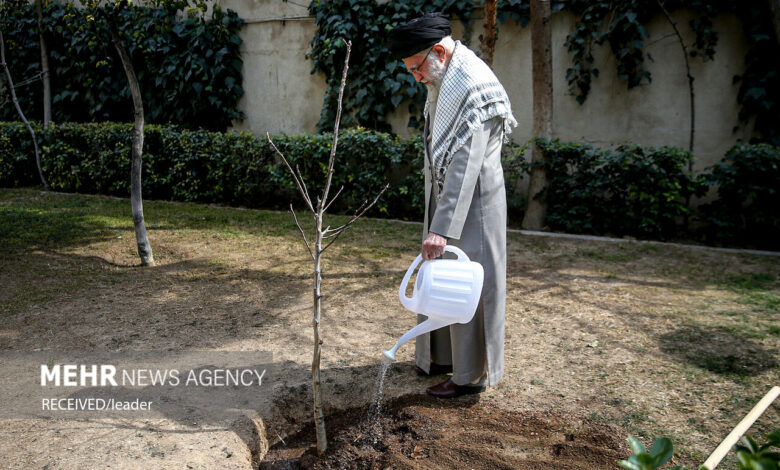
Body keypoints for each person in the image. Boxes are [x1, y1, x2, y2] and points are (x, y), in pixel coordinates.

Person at [388, 12, 517, 398]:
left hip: (473, 209)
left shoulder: (472, 85)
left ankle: (468, 377)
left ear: (439, 52)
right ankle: (443, 360)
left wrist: (441, 228)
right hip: (449, 203)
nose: (416, 77)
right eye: (410, 70)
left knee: (467, 288)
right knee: (441, 284)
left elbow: (465, 166)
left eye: (417, 68)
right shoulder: (448, 78)